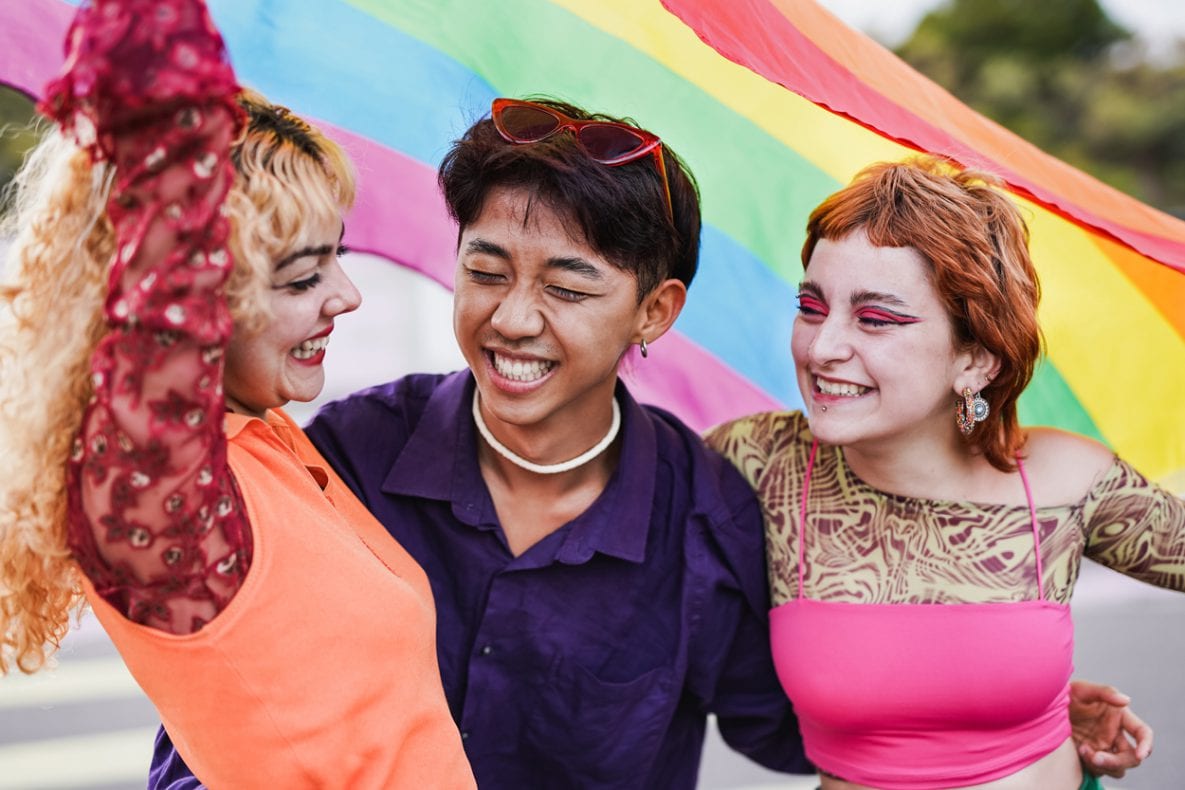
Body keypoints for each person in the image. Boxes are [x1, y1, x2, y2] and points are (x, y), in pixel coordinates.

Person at [150, 102, 1149, 788]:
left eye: (570, 287)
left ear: (655, 310)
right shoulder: (349, 459)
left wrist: (1009, 706)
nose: (514, 319)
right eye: (486, 271)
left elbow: (808, 719)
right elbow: (215, 704)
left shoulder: (706, 513)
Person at [0, 1, 473, 788]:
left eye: (335, 258)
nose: (347, 295)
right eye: (300, 276)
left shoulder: (265, 436)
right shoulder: (163, 499)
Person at [705, 157, 1182, 790]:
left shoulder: (1066, 480)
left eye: (875, 318)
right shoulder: (760, 463)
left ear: (976, 358)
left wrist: (1018, 702)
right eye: (812, 306)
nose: (820, 348)